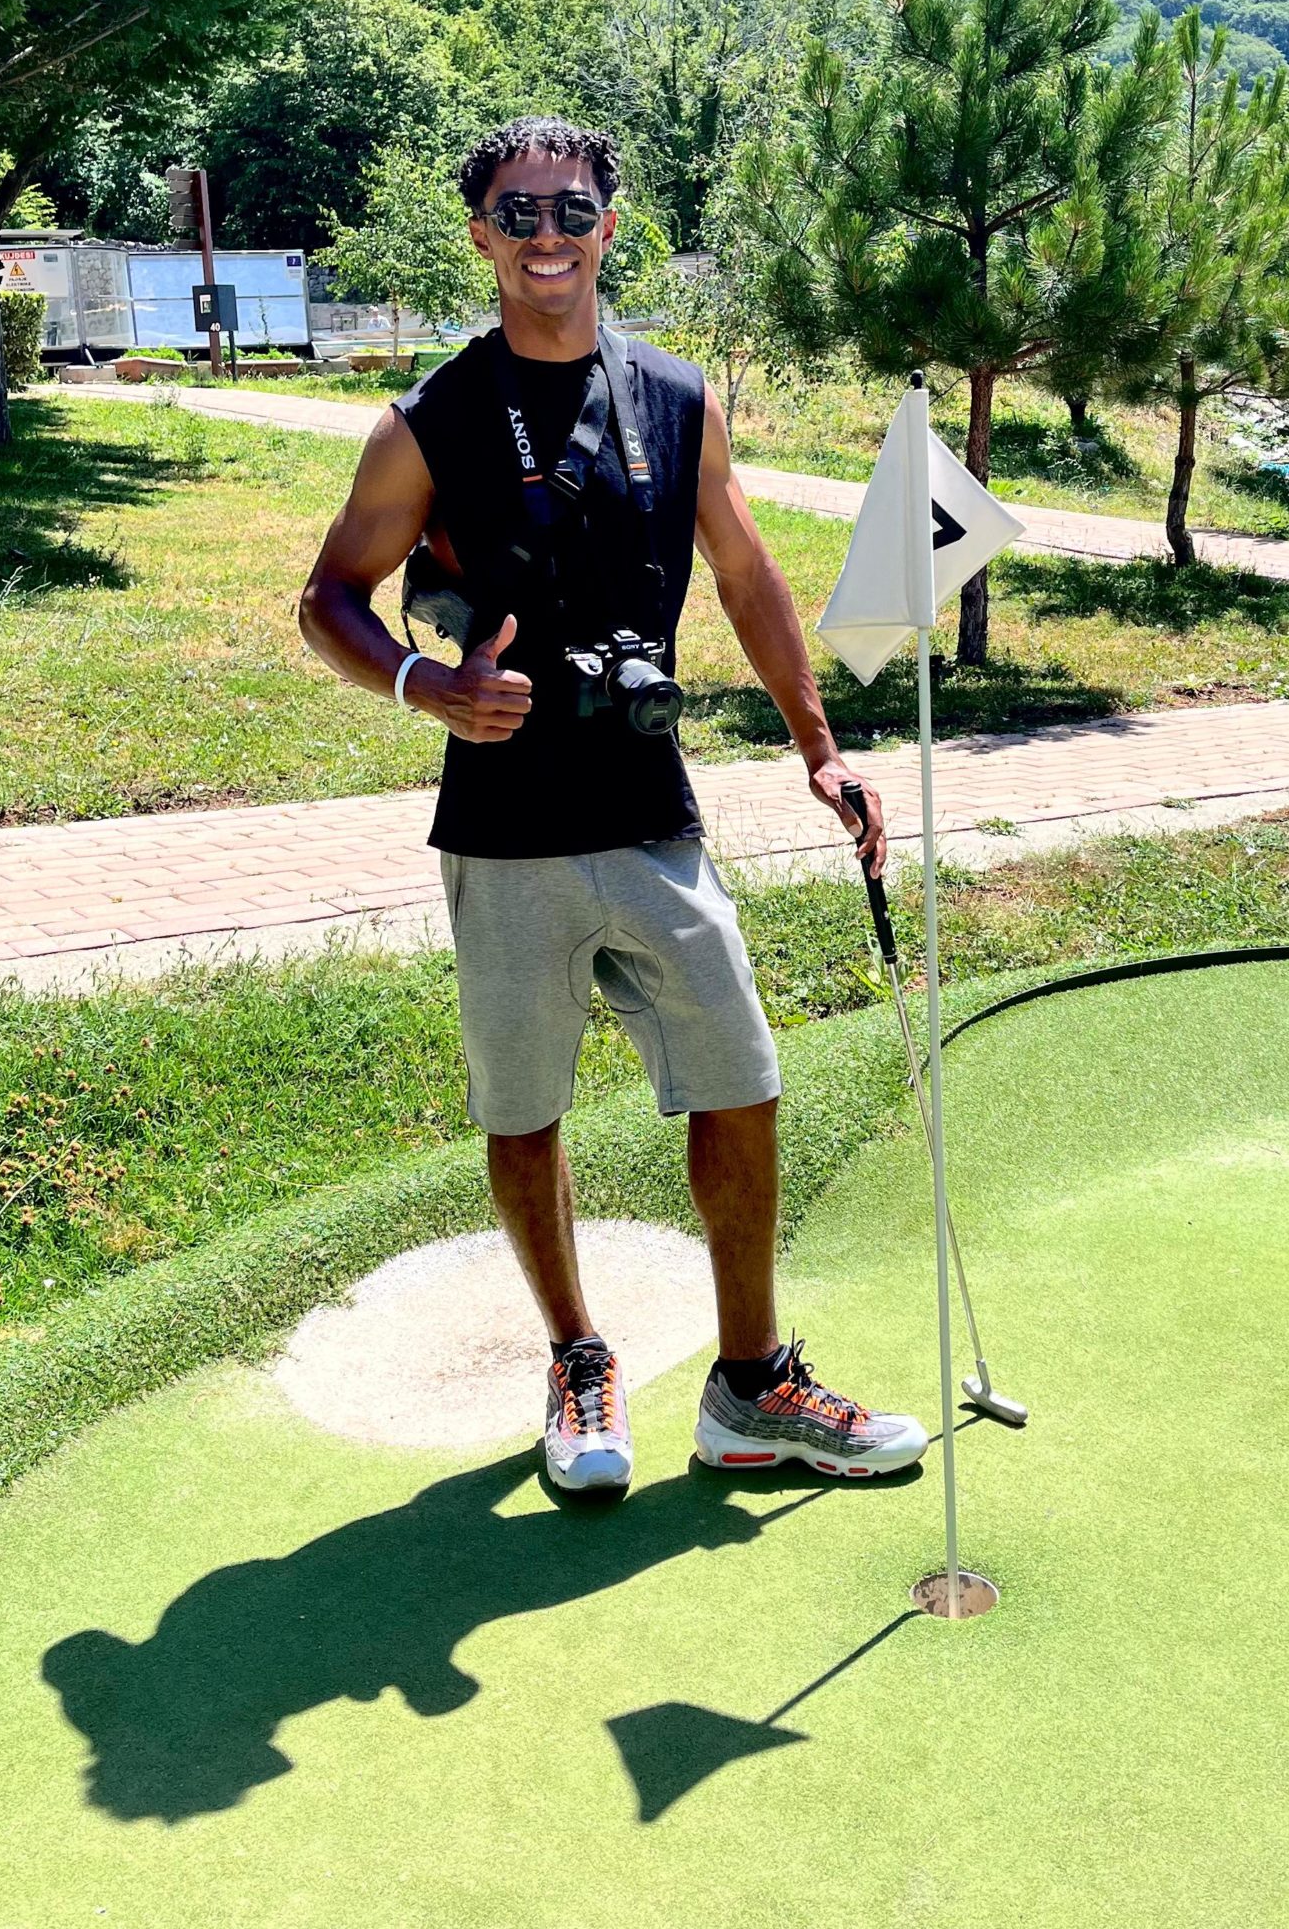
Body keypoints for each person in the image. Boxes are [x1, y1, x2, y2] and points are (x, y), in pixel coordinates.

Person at [301, 115, 926, 1494]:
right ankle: (578, 1360)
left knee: (742, 1080)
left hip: (650, 808)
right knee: (524, 1109)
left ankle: (751, 1388)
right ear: (482, 233)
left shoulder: (679, 399)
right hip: (504, 823)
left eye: (571, 210)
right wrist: (424, 684)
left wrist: (820, 750)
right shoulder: (429, 420)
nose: (548, 237)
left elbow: (748, 575)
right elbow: (327, 597)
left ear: (608, 225)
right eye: (519, 214)